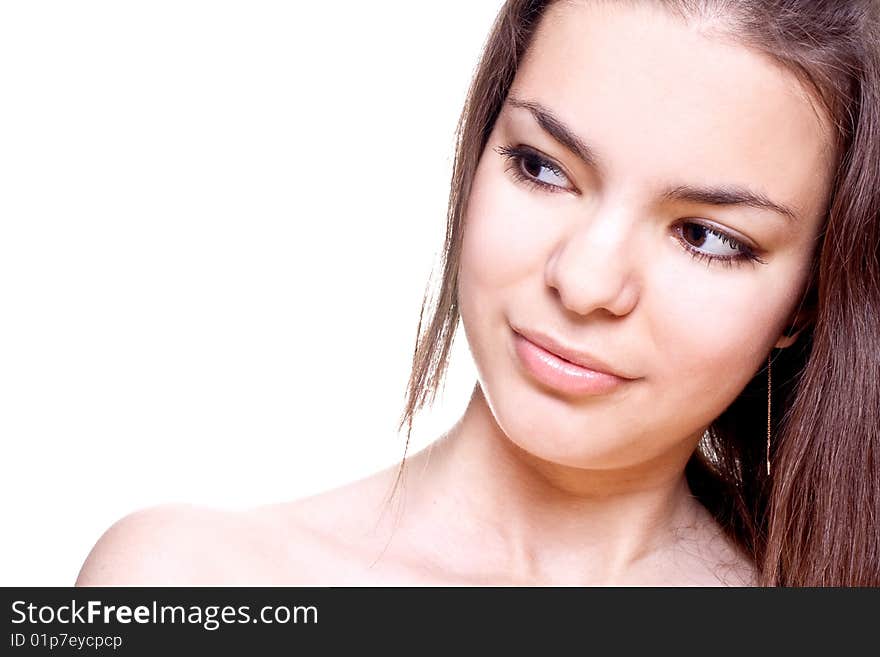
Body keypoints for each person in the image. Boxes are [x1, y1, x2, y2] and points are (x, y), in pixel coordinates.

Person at [76, 0, 880, 587]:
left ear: (807, 298)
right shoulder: (180, 585)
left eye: (706, 236)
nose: (585, 281)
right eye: (543, 167)